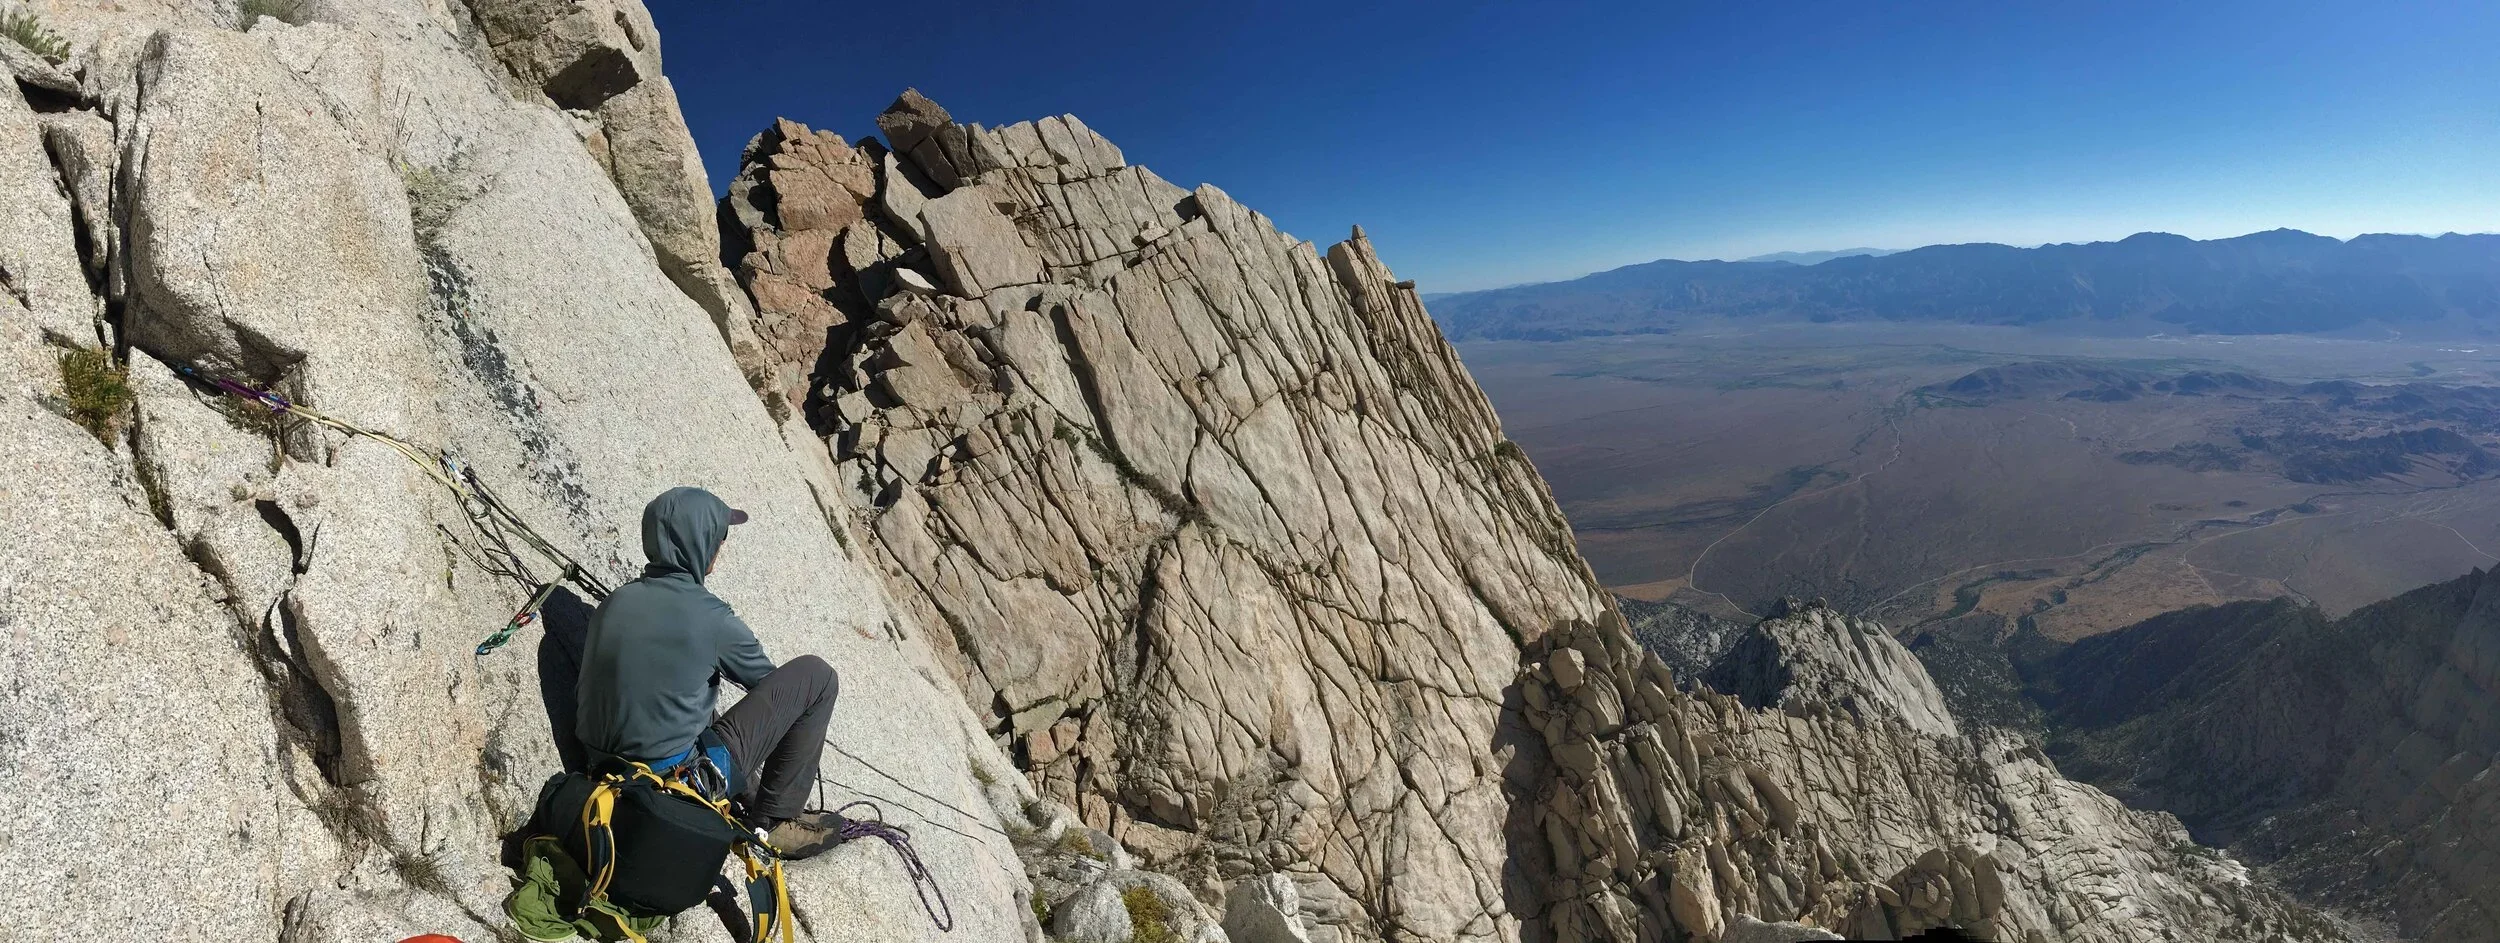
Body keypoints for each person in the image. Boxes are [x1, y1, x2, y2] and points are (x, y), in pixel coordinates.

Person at [576, 486, 844, 859]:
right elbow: (775, 690)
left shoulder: (614, 601)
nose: (721, 545)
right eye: (719, 536)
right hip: (673, 785)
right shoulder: (713, 619)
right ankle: (774, 823)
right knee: (817, 677)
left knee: (693, 695)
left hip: (599, 768)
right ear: (699, 543)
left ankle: (752, 797)